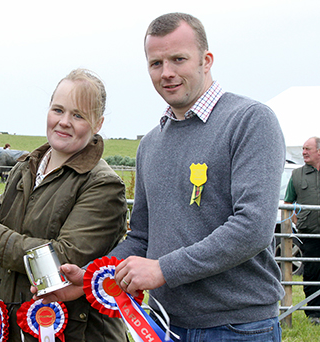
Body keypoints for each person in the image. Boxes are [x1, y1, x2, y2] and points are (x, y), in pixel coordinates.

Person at [36, 13, 285, 341]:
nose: (166, 73)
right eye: (156, 63)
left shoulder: (250, 121)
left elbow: (252, 228)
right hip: (163, 326)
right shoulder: (151, 144)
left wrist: (163, 269)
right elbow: (142, 236)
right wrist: (94, 276)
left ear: (206, 61)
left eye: (178, 59)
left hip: (237, 328)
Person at [0, 68, 128, 341]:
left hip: (76, 333)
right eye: (58, 110)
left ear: (98, 124)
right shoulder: (24, 168)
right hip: (12, 325)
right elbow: (3, 223)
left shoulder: (104, 186)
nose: (64, 121)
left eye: (78, 115)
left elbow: (64, 259)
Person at [284, 137, 320, 325]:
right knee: (312, 273)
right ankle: (314, 314)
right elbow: (288, 203)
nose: (304, 152)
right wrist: (299, 223)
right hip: (311, 235)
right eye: (303, 149)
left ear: (319, 151)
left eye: (308, 149)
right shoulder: (297, 175)